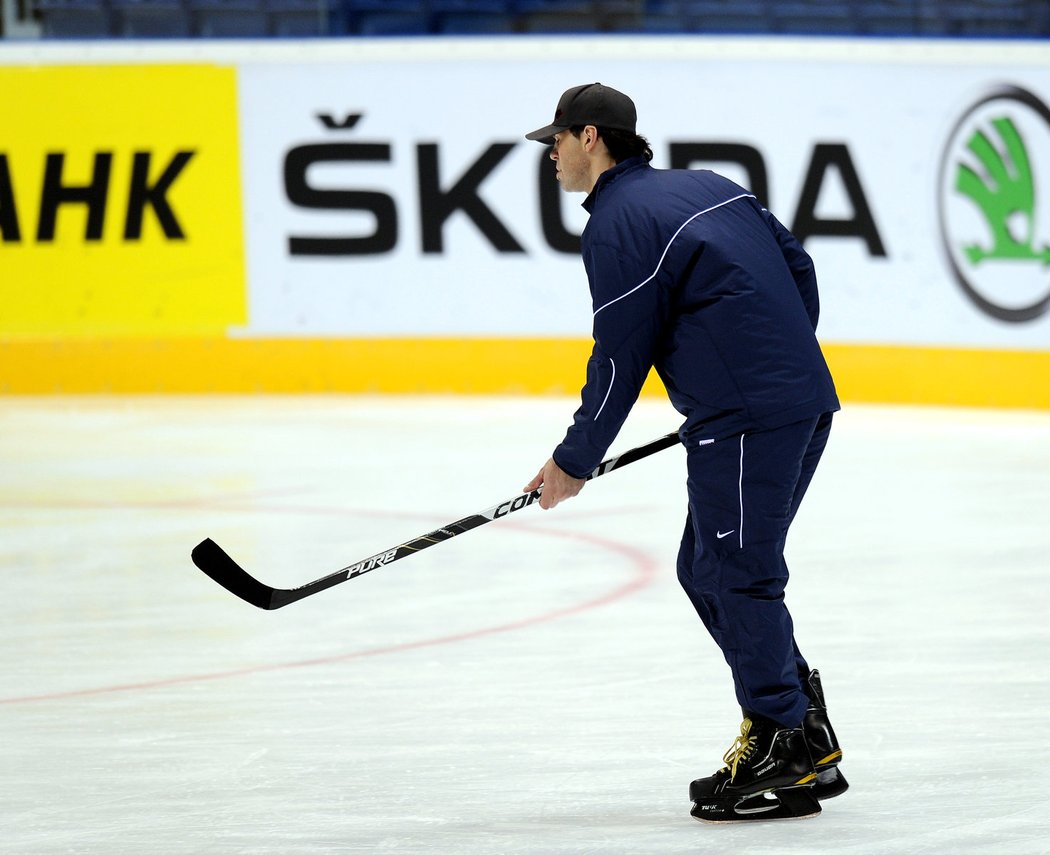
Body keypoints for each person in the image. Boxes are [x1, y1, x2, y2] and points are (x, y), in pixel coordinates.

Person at [521, 83, 847, 822]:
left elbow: (620, 355)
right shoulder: (709, 185)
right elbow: (797, 269)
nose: (552, 154)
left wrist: (574, 459)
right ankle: (802, 730)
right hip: (791, 403)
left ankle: (781, 740)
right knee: (706, 565)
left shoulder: (615, 224)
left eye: (558, 139)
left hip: (746, 420)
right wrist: (777, 366)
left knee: (737, 573)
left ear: (592, 138)